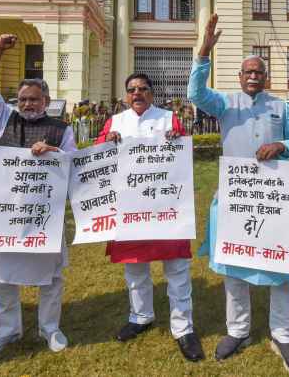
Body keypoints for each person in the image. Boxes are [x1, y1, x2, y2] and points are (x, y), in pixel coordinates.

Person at [187, 14, 289, 375]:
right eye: (247, 72)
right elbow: (195, 94)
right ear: (240, 78)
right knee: (235, 270)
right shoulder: (225, 104)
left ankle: (283, 334)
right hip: (236, 201)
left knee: (280, 269)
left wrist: (281, 145)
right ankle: (237, 331)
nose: (253, 76)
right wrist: (204, 52)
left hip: (274, 202)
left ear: (265, 78)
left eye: (259, 72)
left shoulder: (281, 107)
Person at [0, 34, 76, 358]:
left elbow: (73, 164)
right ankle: (8, 330)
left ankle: (50, 328)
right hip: (5, 215)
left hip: (44, 215)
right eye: (23, 99)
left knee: (50, 278)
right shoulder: (4, 118)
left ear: (46, 100)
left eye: (34, 99)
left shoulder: (61, 129)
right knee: (1, 277)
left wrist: (54, 151)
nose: (28, 104)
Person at [94, 71, 205, 363]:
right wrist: (107, 143)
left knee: (177, 270)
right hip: (131, 212)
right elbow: (98, 159)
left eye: (143, 89)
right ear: (125, 95)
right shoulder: (114, 122)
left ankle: (183, 328)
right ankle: (140, 316)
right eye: (132, 90)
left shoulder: (169, 118)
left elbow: (184, 153)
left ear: (152, 93)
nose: (137, 94)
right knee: (135, 270)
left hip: (166, 209)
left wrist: (177, 138)